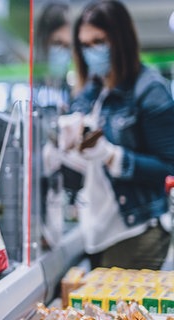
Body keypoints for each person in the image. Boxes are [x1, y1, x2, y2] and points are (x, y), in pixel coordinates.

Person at [61, 0, 174, 270]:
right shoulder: (91, 93)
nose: (91, 52)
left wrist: (114, 157)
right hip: (96, 230)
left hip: (136, 231)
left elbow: (169, 167)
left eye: (98, 41)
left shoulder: (150, 91)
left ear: (120, 40)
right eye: (84, 45)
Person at [34, 1, 73, 248]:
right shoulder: (30, 89)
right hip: (34, 206)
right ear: (43, 43)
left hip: (59, 201)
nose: (63, 53)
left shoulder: (68, 91)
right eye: (58, 44)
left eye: (68, 47)